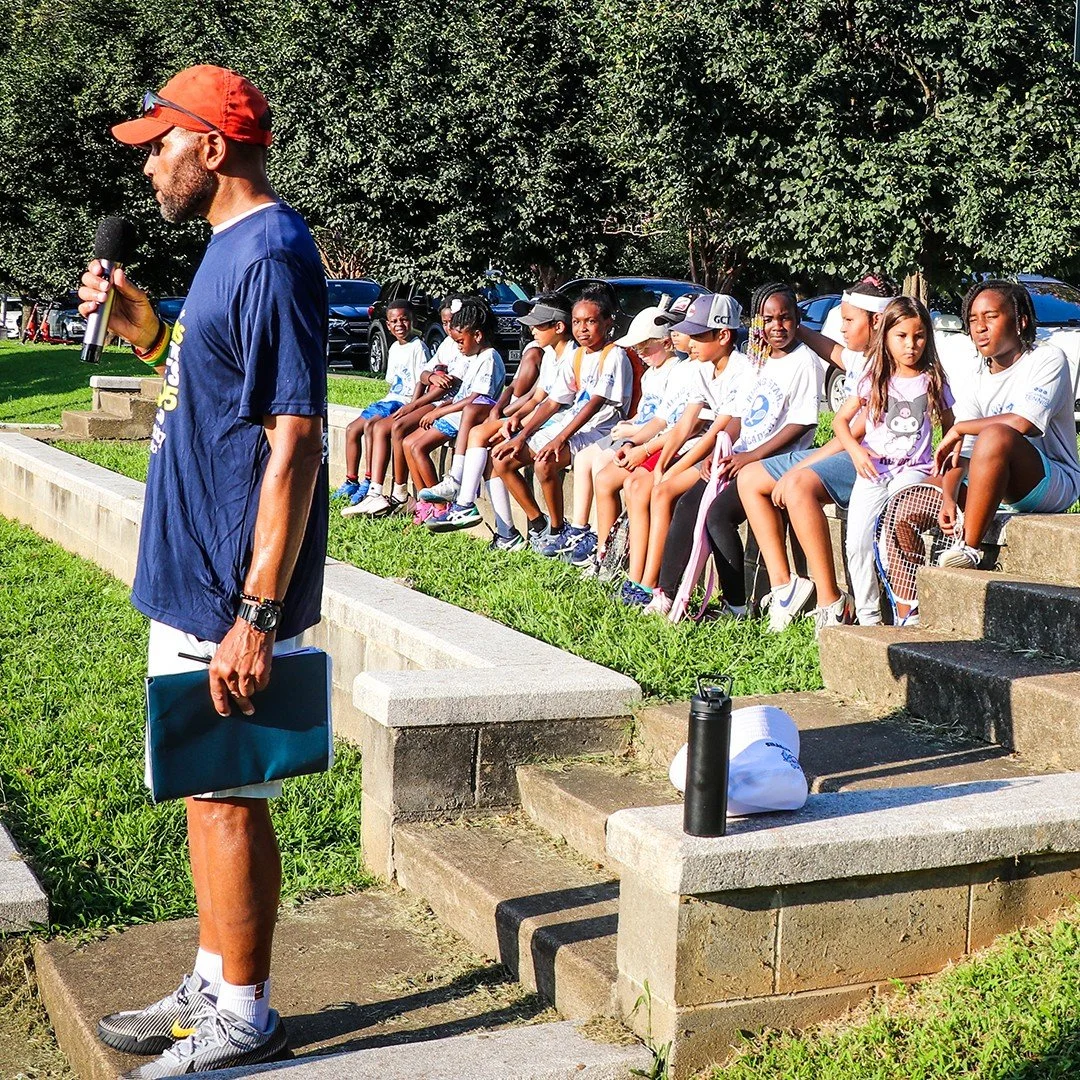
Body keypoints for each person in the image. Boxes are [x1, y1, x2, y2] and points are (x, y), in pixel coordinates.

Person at [78, 66, 326, 1077]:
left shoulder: (271, 253)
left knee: (228, 795)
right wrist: (149, 332)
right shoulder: (229, 252)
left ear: (212, 148)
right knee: (203, 787)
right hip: (194, 571)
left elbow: (296, 438)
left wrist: (257, 612)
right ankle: (215, 976)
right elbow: (214, 376)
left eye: (159, 145)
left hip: (230, 585)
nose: (148, 165)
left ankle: (245, 1013)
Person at [645, 283, 820, 619]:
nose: (777, 326)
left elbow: (799, 425)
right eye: (769, 319)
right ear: (759, 323)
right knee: (687, 505)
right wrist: (721, 450)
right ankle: (664, 595)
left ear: (797, 319)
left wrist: (749, 458)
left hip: (771, 463)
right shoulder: (763, 361)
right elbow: (740, 417)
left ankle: (736, 605)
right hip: (740, 457)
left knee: (718, 515)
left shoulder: (804, 362)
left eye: (785, 318)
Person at [737, 277, 894, 631]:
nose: (841, 327)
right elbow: (832, 350)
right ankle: (784, 586)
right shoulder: (861, 358)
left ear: (876, 322)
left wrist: (804, 465)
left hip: (868, 460)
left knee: (797, 486)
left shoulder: (883, 366)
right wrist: (791, 326)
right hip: (846, 452)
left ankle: (830, 601)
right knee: (750, 478)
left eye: (849, 320)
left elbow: (852, 435)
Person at [934, 280, 1080, 566]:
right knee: (912, 494)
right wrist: (948, 496)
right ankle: (907, 607)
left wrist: (960, 427)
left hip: (1050, 483)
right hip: (993, 482)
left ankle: (970, 550)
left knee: (996, 435)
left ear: (1020, 321)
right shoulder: (976, 378)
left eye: (991, 317)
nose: (980, 328)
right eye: (973, 320)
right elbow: (962, 457)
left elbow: (1025, 424)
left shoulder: (1047, 359)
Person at [617, 293, 748, 605]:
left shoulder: (741, 369)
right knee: (653, 485)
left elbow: (716, 430)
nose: (690, 343)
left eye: (698, 336)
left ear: (723, 335)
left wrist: (672, 470)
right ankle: (644, 581)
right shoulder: (704, 367)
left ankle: (653, 586)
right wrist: (661, 463)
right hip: (705, 451)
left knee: (663, 492)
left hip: (724, 454)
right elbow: (686, 422)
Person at [832, 297, 954, 625]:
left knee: (892, 534)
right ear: (886, 336)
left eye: (919, 336)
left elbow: (951, 427)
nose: (911, 345)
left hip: (912, 471)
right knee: (856, 542)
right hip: (874, 471)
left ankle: (906, 610)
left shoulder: (933, 380)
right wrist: (856, 452)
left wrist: (941, 463)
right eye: (901, 336)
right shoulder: (874, 378)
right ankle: (869, 617)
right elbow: (840, 422)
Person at [492, 285, 633, 555]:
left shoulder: (613, 355)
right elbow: (553, 402)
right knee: (503, 459)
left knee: (545, 462)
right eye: (577, 322)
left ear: (607, 322)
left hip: (600, 430)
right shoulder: (578, 355)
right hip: (571, 424)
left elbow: (594, 404)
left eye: (591, 322)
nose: (582, 329)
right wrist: (521, 435)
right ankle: (539, 523)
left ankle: (559, 530)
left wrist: (559, 438)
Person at [426, 292, 573, 544]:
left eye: (538, 325)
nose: (532, 330)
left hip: (557, 424)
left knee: (495, 451)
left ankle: (469, 505)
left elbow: (551, 404)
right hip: (541, 418)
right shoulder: (549, 354)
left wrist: (521, 428)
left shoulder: (570, 354)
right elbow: (536, 397)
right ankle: (494, 524)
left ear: (558, 327)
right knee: (480, 435)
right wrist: (510, 415)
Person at [563, 306, 685, 567]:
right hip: (636, 436)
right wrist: (630, 436)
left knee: (605, 471)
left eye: (645, 348)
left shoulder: (677, 371)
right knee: (601, 475)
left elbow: (666, 422)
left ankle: (616, 550)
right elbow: (646, 413)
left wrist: (634, 437)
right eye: (637, 349)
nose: (640, 355)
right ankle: (603, 549)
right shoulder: (652, 374)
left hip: (656, 443)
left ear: (666, 342)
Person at [344, 298, 460, 518]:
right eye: (445, 322)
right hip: (422, 402)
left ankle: (401, 493)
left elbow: (432, 384)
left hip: (432, 404)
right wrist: (432, 376)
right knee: (370, 428)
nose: (448, 327)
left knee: (395, 430)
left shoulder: (435, 347)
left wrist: (413, 405)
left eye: (452, 322)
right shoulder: (445, 345)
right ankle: (375, 490)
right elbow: (427, 375)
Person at [401, 296, 505, 515]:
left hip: (465, 417)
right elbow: (462, 394)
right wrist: (441, 408)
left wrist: (441, 410)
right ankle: (428, 503)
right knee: (409, 443)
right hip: (455, 413)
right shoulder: (474, 356)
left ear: (477, 335)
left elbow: (477, 399)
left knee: (418, 447)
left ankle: (442, 504)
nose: (458, 347)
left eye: (460, 341)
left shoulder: (489, 357)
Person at [331, 298, 430, 505]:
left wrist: (411, 409)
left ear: (413, 321)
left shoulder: (418, 347)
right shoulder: (394, 348)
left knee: (370, 426)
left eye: (404, 320)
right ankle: (351, 481)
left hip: (403, 402)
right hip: (390, 399)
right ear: (388, 325)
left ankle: (369, 481)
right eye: (394, 321)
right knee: (351, 429)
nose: (400, 325)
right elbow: (393, 383)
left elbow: (421, 380)